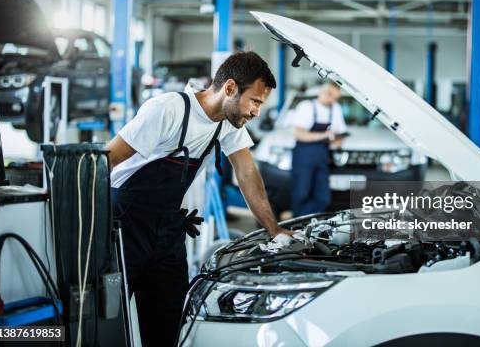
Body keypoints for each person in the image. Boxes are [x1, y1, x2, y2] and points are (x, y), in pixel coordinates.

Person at [105, 51, 291, 346]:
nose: (256, 111)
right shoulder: (168, 109)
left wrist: (274, 230)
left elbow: (247, 173)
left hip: (167, 229)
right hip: (124, 225)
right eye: (254, 101)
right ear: (229, 88)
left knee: (169, 322)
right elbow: (107, 160)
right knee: (108, 320)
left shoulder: (229, 123)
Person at [290, 83, 347, 217]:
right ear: (322, 91)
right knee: (301, 194)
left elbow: (341, 132)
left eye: (336, 98)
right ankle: (298, 225)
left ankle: (313, 224)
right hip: (304, 155)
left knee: (323, 197)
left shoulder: (336, 109)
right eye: (330, 95)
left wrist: (338, 140)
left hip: (322, 156)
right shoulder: (306, 107)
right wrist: (324, 135)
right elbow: (298, 133)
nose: (332, 100)